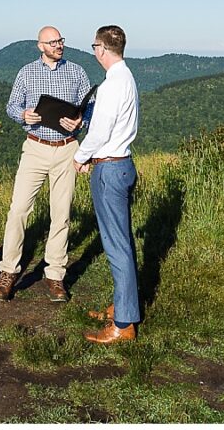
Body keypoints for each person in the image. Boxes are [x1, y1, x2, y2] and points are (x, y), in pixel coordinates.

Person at [0, 26, 92, 303]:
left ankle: (55, 275)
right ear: (40, 46)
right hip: (35, 146)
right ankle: (8, 271)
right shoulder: (26, 72)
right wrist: (24, 115)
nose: (59, 45)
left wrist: (82, 120)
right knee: (19, 209)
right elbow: (11, 107)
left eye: (61, 40)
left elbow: (90, 105)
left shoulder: (77, 72)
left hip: (67, 148)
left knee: (61, 213)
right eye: (53, 42)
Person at [74, 24, 140, 344]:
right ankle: (122, 306)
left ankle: (124, 324)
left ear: (101, 48)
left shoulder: (113, 85)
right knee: (122, 243)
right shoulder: (126, 78)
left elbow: (99, 133)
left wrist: (80, 157)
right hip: (122, 163)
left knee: (116, 247)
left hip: (109, 169)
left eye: (94, 47)